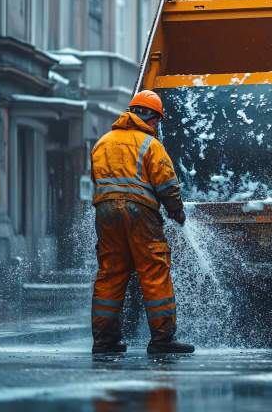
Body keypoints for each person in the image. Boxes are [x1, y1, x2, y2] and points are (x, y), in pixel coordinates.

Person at [89, 90, 194, 354]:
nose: (157, 127)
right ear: (149, 117)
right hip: (140, 215)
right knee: (153, 271)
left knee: (111, 273)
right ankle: (162, 340)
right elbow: (167, 185)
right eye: (157, 121)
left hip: (105, 213)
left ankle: (104, 341)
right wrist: (176, 212)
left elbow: (97, 179)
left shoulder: (103, 142)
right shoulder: (151, 145)